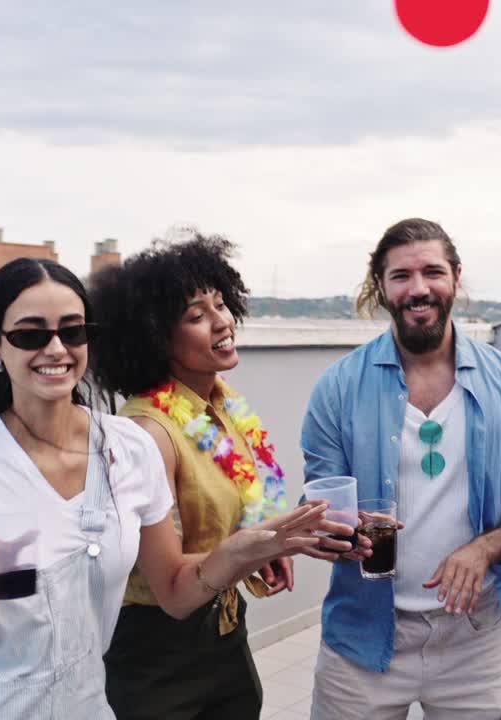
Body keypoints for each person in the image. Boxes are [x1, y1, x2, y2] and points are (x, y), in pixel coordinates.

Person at [0, 257, 341, 719]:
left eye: (72, 331)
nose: (56, 349)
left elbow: (173, 588)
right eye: (31, 335)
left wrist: (242, 552)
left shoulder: (127, 448)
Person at [302, 218, 501, 720]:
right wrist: (334, 534)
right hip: (362, 638)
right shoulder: (337, 388)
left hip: (472, 639)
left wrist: (484, 548)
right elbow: (320, 505)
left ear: (454, 276)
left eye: (432, 272)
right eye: (401, 276)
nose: (419, 288)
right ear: (381, 287)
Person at [87, 232, 352, 719]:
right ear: (155, 337)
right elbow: (169, 589)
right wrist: (256, 545)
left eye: (221, 303)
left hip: (225, 636)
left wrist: (267, 544)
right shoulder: (145, 432)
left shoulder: (220, 405)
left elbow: (225, 517)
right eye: (196, 315)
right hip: (157, 660)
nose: (223, 321)